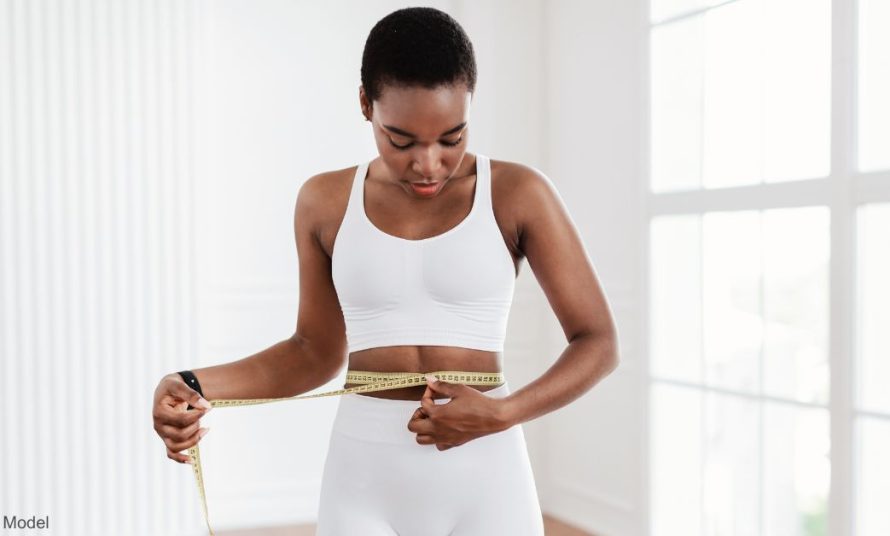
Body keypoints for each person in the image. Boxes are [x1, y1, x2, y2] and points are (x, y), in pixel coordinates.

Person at [151, 6, 618, 535]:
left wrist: (502, 413)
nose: (428, 164)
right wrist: (192, 384)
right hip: (363, 478)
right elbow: (312, 353)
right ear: (365, 104)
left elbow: (598, 341)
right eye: (401, 140)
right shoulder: (325, 202)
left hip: (489, 478)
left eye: (452, 137)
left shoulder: (518, 193)